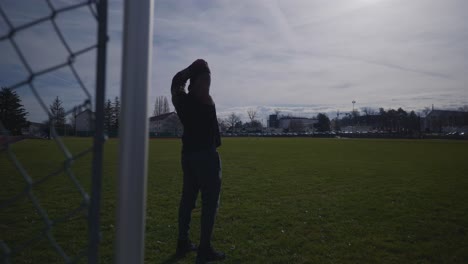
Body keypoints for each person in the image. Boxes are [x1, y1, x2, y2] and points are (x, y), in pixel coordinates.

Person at [171, 59, 225, 263]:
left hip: (188, 156)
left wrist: (192, 69)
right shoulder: (206, 99)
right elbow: (216, 139)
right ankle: (204, 249)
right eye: (207, 79)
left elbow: (176, 81)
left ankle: (182, 242)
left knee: (187, 200)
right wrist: (202, 67)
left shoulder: (182, 101)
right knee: (209, 204)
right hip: (207, 158)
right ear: (203, 81)